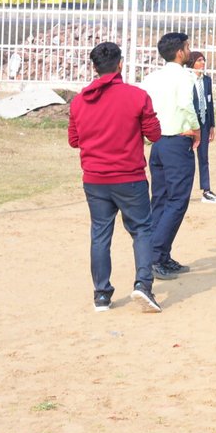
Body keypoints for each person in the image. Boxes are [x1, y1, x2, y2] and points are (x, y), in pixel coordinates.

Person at [68, 41, 163, 313]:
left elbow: (74, 140)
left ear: (94, 67)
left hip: (95, 179)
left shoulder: (79, 101)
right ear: (120, 64)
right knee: (142, 229)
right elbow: (154, 134)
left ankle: (101, 294)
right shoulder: (136, 96)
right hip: (129, 177)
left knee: (100, 233)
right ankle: (143, 285)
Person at [142, 31, 201, 280]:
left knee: (161, 200)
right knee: (177, 201)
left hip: (158, 144)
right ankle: (156, 256)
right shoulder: (184, 76)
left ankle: (159, 255)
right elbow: (186, 105)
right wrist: (196, 129)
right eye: (187, 47)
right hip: (177, 142)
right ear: (180, 52)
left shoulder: (151, 78)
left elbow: (144, 107)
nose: (189, 51)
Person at [191, 51, 216, 204]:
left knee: (204, 156)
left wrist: (211, 125)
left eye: (203, 60)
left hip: (204, 122)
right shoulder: (187, 80)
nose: (202, 63)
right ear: (192, 63)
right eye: (199, 60)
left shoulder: (207, 80)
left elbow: (210, 103)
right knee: (186, 158)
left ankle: (206, 189)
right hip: (190, 124)